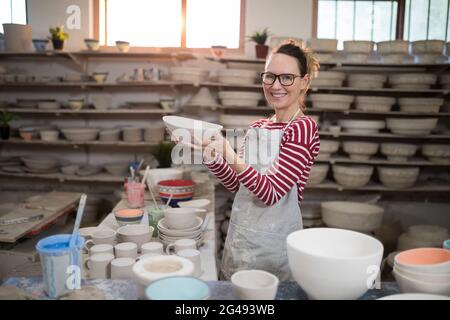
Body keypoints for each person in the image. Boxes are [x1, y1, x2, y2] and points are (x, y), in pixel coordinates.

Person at [182, 40, 320, 281]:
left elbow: (271, 192)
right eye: (270, 76)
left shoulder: (302, 128)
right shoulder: (257, 127)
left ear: (304, 82)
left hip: (272, 249)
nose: (276, 86)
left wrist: (229, 153)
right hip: (240, 240)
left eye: (287, 78)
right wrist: (212, 154)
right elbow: (239, 186)